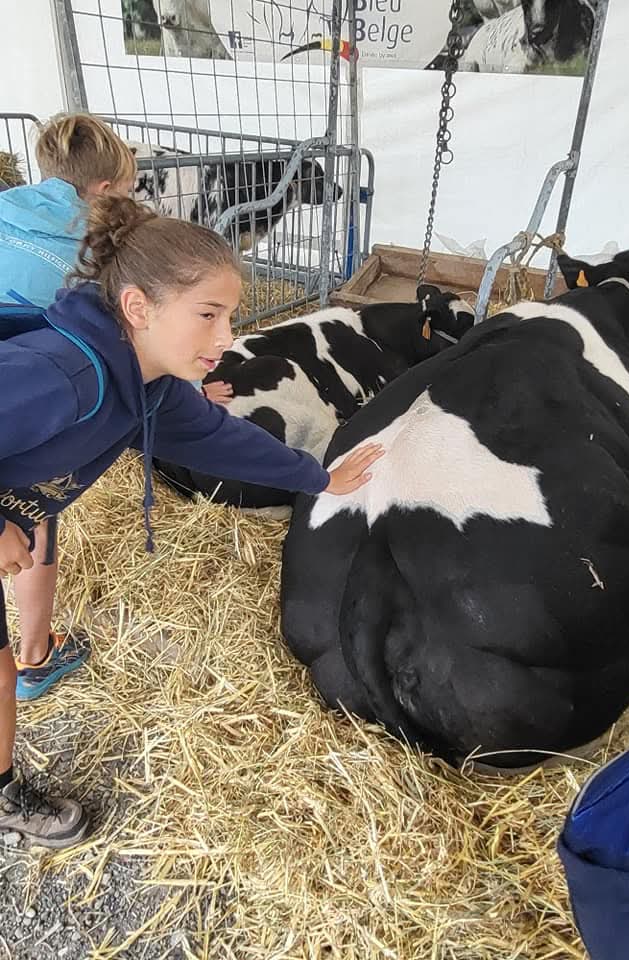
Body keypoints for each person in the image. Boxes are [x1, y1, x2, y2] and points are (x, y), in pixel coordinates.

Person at [0, 195, 383, 847]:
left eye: (228, 316)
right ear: (138, 307)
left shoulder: (148, 386)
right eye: (208, 314)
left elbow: (219, 439)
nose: (227, 337)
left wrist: (318, 477)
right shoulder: (62, 376)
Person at [0, 113, 232, 703]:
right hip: (28, 401)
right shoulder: (94, 252)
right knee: (34, 503)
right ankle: (35, 654)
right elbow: (128, 347)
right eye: (127, 190)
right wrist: (184, 390)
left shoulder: (8, 209)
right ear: (105, 190)